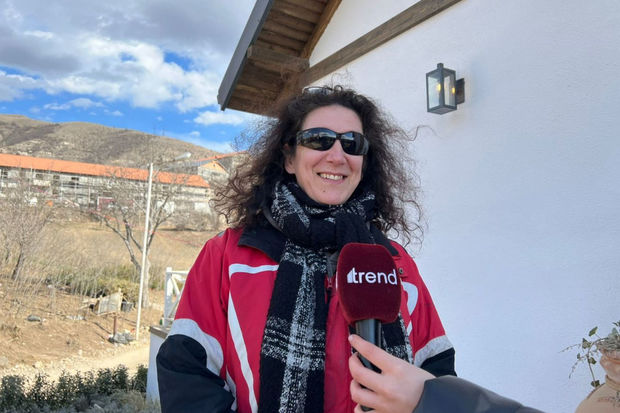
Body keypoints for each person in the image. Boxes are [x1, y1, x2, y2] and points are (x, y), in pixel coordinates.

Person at [155, 85, 458, 412]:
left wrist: (420, 404)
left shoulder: (395, 263)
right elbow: (186, 377)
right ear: (289, 158)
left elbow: (438, 372)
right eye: (319, 139)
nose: (337, 156)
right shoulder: (227, 257)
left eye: (352, 143)